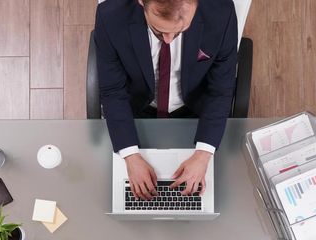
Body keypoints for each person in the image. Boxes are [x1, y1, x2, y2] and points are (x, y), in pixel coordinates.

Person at [95, 0, 238, 200]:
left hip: (196, 111)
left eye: (179, 32)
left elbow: (220, 90)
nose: (169, 40)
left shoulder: (221, 12)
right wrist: (130, 155)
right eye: (158, 31)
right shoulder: (110, 16)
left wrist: (203, 155)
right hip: (136, 111)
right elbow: (112, 91)